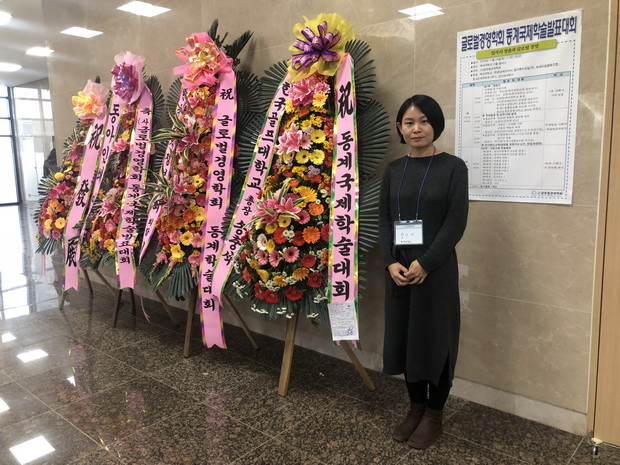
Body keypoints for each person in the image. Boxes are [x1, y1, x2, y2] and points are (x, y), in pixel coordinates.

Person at [378, 95, 469, 449]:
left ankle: (434, 414)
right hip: (400, 270)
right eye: (409, 122)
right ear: (400, 128)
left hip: (436, 270)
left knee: (436, 341)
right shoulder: (393, 170)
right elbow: (384, 219)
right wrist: (390, 261)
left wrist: (426, 263)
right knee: (406, 339)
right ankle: (415, 408)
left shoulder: (453, 168)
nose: (416, 128)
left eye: (424, 121)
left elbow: (455, 222)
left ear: (436, 125)